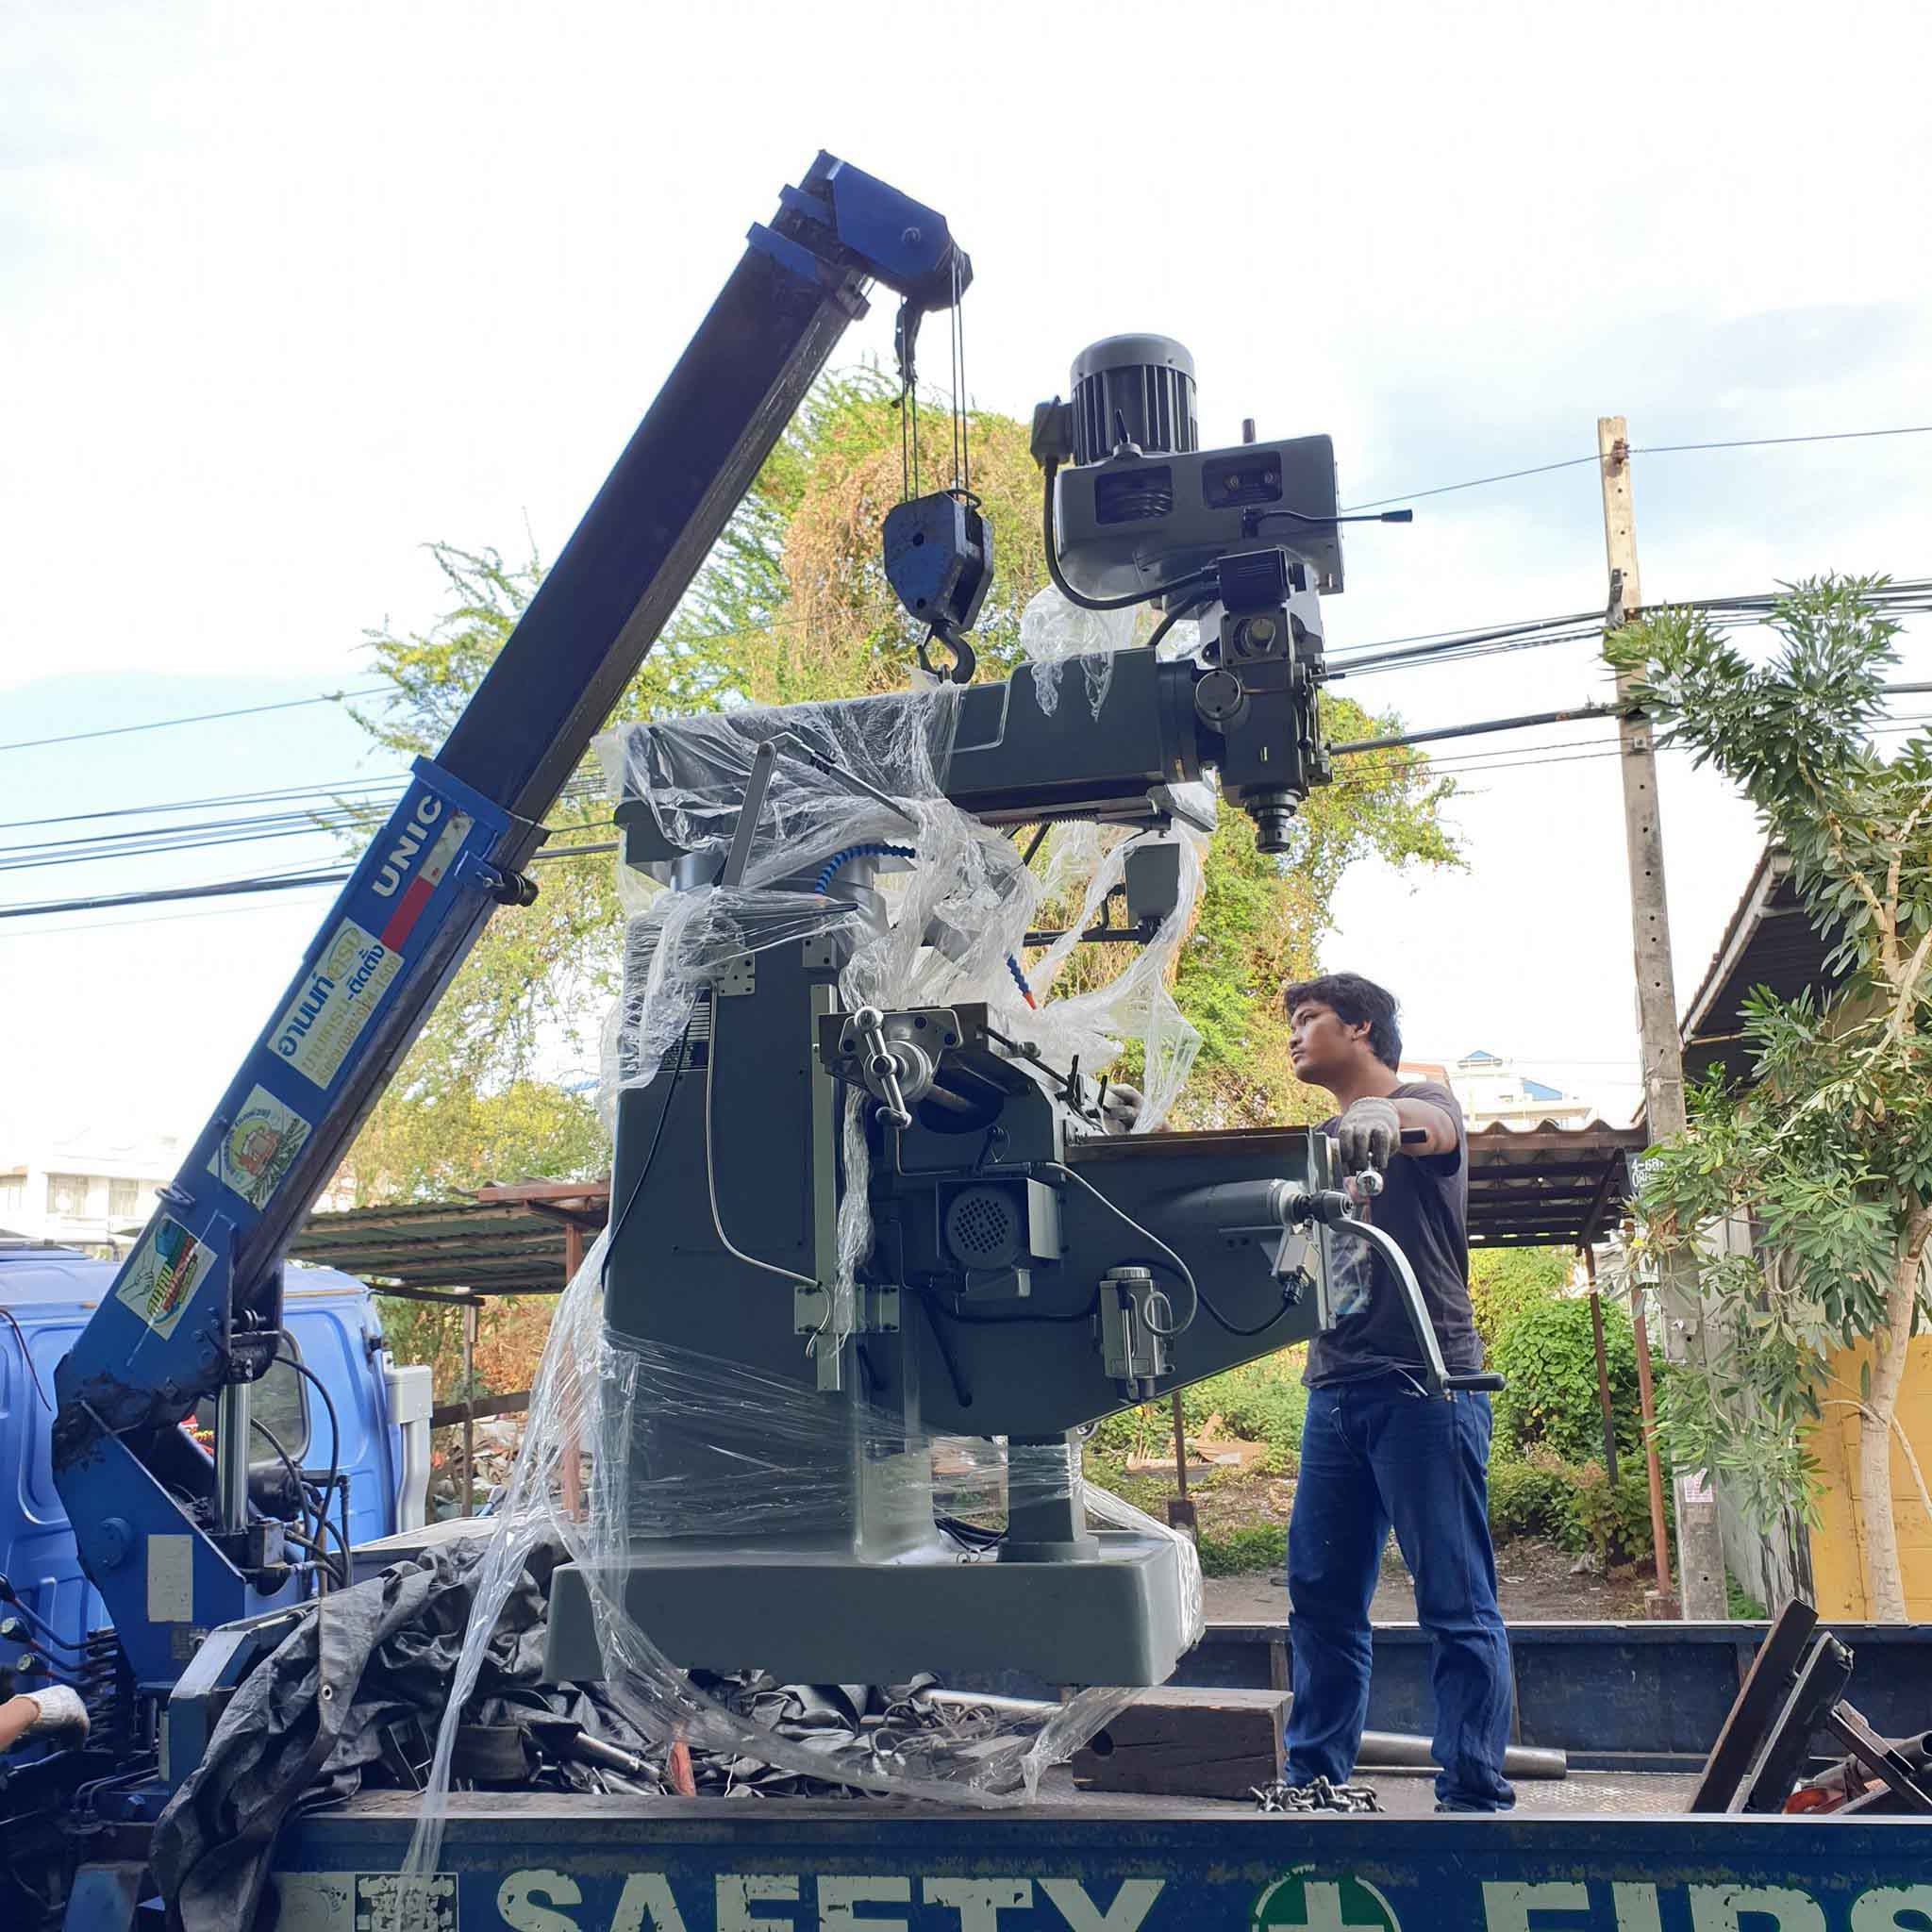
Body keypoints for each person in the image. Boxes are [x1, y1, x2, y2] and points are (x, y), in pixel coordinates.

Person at [1279, 972, 1514, 1813]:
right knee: (1321, 1599)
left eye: (1309, 1018)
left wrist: (1384, 1117)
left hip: (1425, 1388)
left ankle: (1472, 1796)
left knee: (1454, 1599)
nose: (1293, 1034)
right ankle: (1314, 1781)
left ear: (1361, 1026)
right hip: (1334, 1392)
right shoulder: (1316, 1143)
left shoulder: (1422, 1102)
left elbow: (1431, 1127)